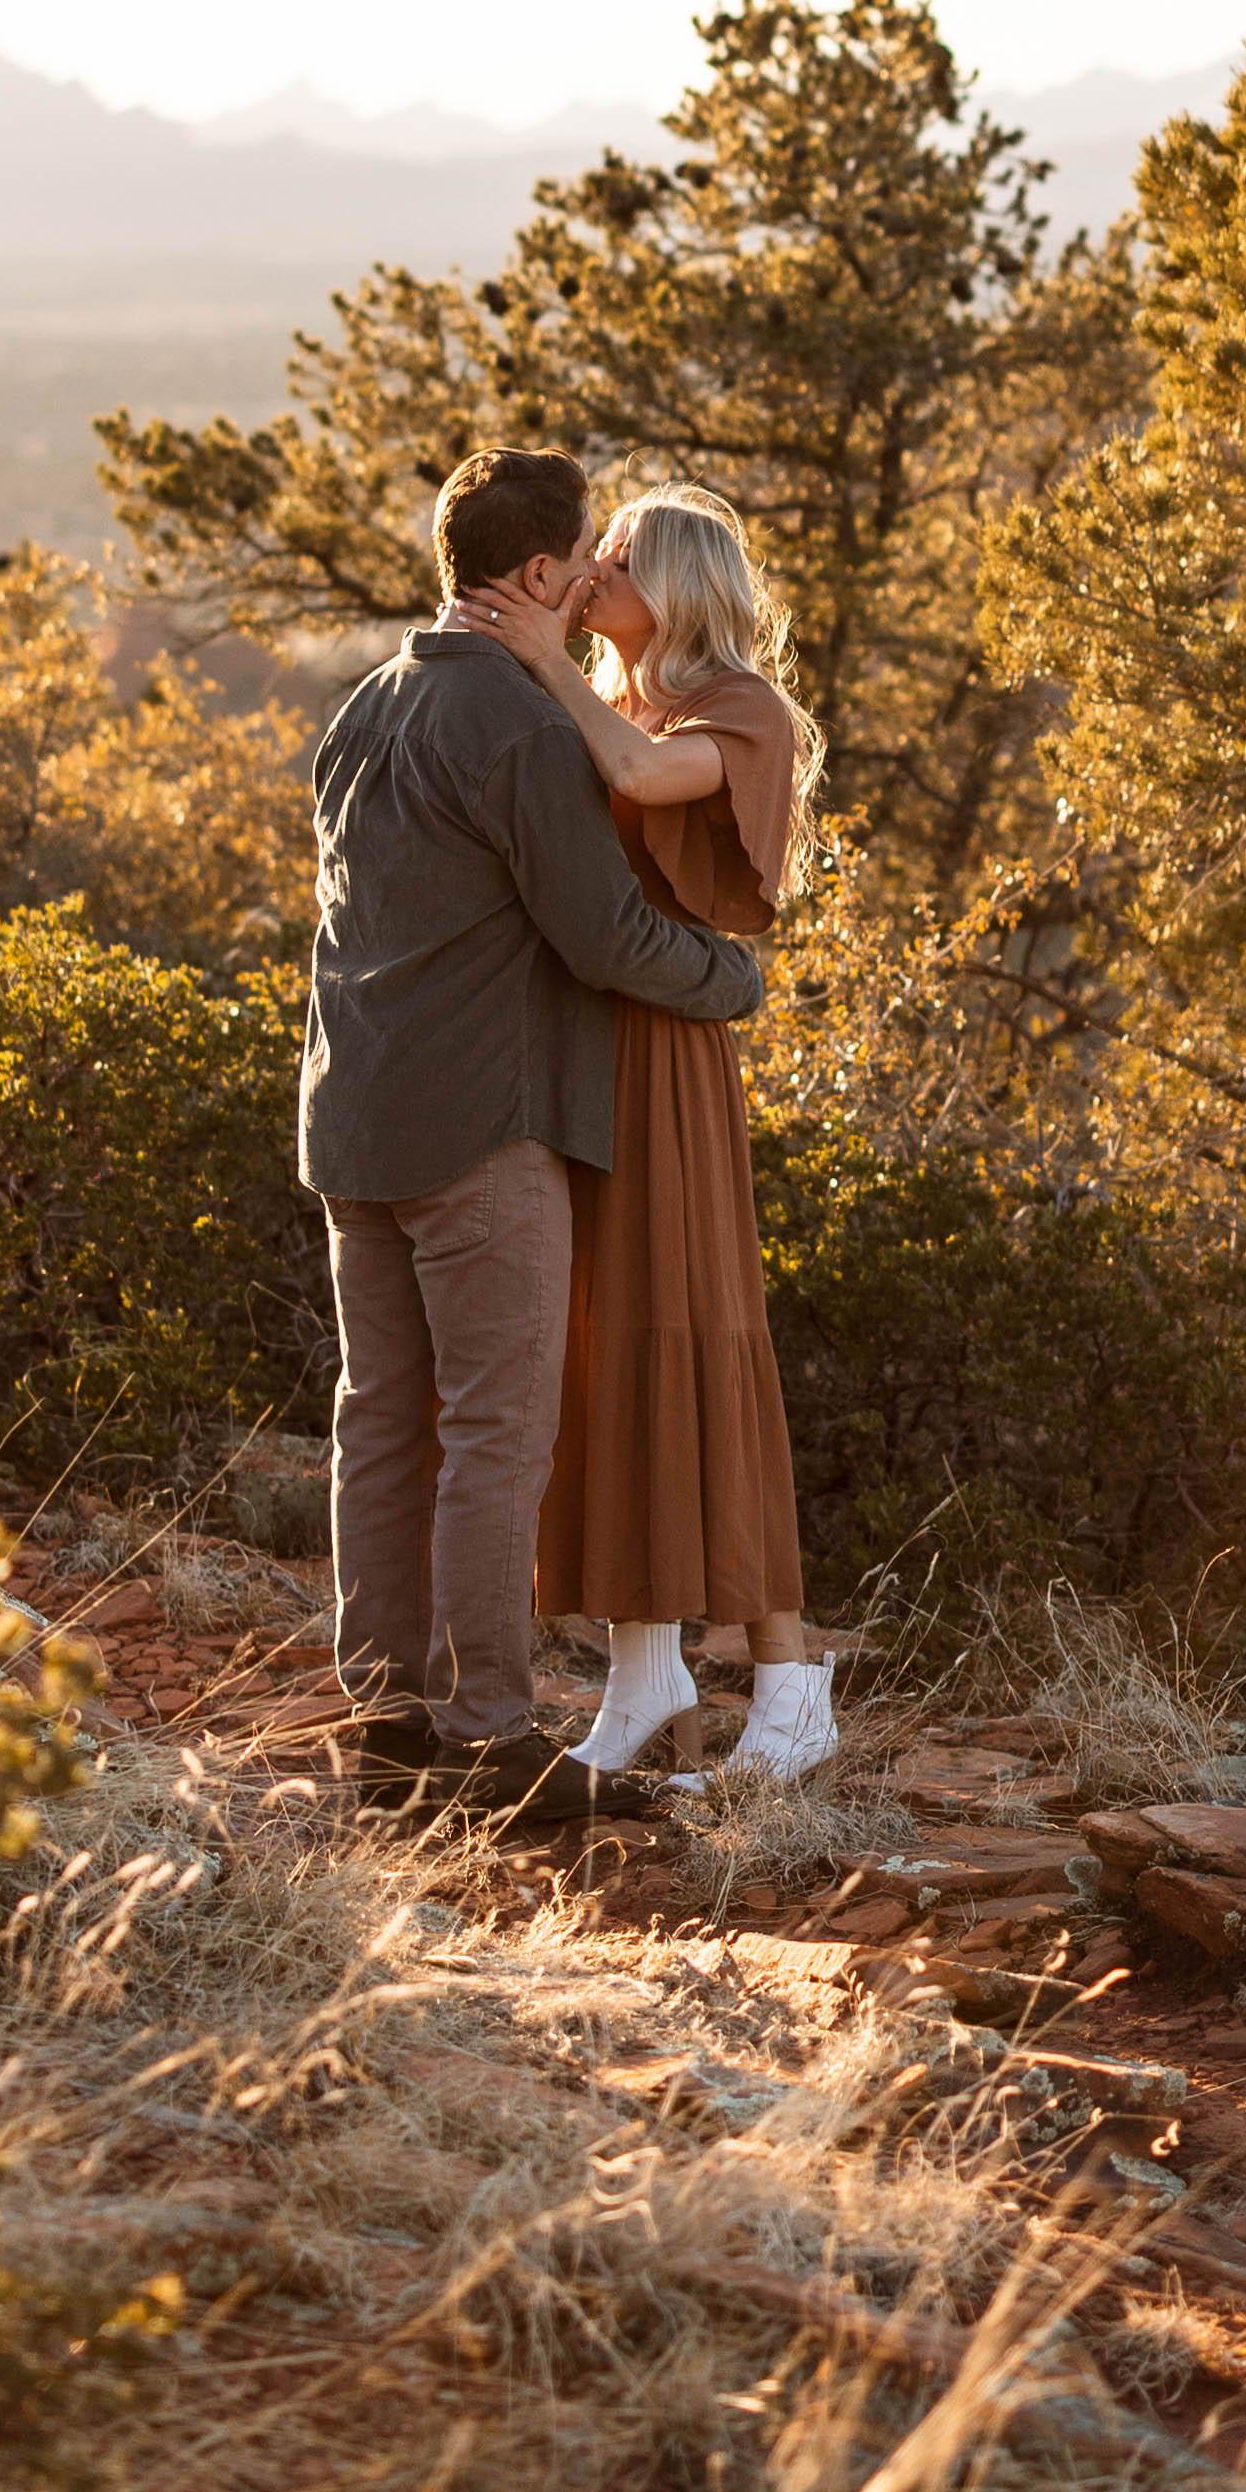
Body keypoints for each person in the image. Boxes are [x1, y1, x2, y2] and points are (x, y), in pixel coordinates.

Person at [297, 445, 769, 1829]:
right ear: (545, 570)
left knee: (381, 1426)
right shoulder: (516, 724)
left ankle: (387, 1723)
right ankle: (490, 1736)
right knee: (493, 1434)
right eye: (589, 559)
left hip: (351, 1117)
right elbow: (604, 935)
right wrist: (731, 977)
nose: (599, 578)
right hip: (482, 1127)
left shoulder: (366, 705)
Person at [445, 482, 834, 1781]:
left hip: (667, 1050)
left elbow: (641, 778)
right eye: (590, 556)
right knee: (607, 1344)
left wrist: (543, 656)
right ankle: (644, 1675)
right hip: (586, 1048)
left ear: (672, 583)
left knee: (695, 1332)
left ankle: (792, 1683)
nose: (591, 574)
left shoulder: (739, 709)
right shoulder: (622, 699)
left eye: (615, 560)